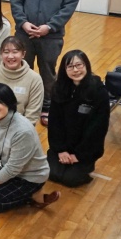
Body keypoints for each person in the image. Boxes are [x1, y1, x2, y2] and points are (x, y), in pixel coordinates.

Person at [8, 0, 81, 125]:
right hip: (24, 34)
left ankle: (47, 106)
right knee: (22, 68)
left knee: (48, 72)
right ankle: (22, 104)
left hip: (51, 36)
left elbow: (69, 5)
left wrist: (50, 26)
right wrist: (23, 22)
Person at [0, 84, 59, 213]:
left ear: (9, 102)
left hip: (29, 177)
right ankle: (26, 194)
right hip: (8, 168)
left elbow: (13, 168)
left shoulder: (23, 131)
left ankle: (33, 195)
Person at [0, 36, 43, 170]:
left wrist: (14, 135)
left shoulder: (34, 79)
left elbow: (32, 114)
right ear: (1, 54)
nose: (10, 56)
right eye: (6, 52)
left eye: (15, 52)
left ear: (23, 54)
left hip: (20, 131)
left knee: (17, 168)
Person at [47, 50, 110, 187]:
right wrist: (61, 150)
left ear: (86, 65)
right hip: (63, 146)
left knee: (71, 179)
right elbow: (54, 122)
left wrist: (79, 155)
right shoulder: (59, 88)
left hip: (85, 149)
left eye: (79, 65)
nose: (75, 70)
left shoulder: (99, 92)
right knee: (51, 173)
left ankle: (85, 167)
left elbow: (98, 128)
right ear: (64, 70)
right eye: (70, 66)